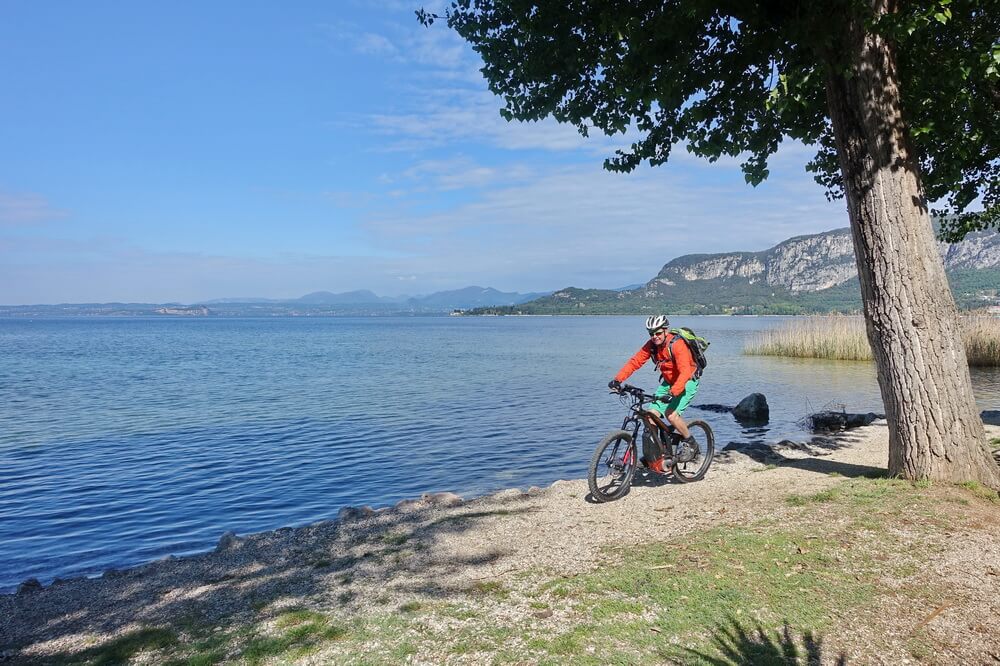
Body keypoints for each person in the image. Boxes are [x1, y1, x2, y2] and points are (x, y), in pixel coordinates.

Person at [608, 314, 700, 473]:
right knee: (650, 416)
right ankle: (654, 455)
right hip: (668, 383)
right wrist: (618, 380)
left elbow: (685, 371)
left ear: (666, 330)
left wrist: (675, 392)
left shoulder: (677, 345)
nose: (655, 337)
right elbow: (635, 361)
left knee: (671, 414)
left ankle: (691, 443)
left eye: (658, 333)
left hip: (687, 381)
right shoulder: (652, 345)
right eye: (651, 334)